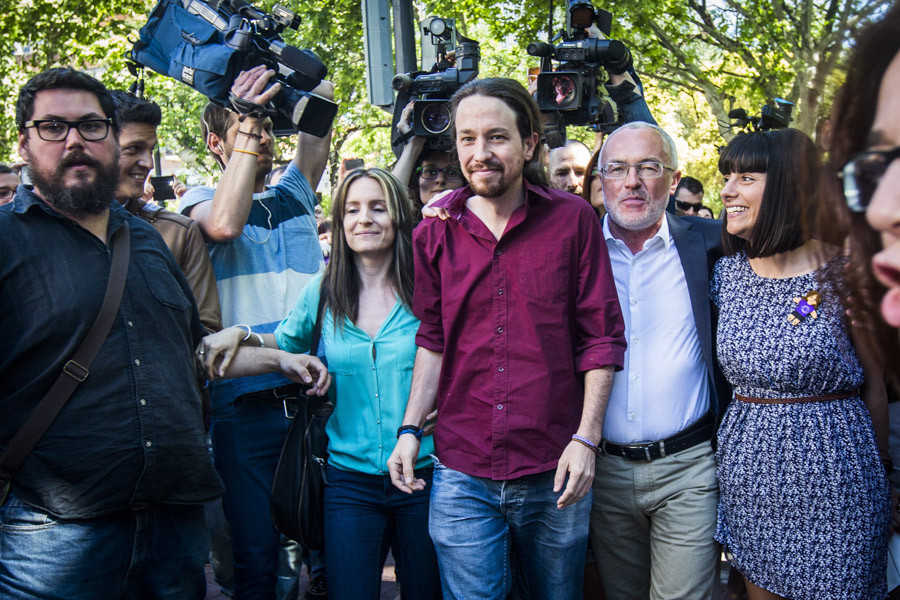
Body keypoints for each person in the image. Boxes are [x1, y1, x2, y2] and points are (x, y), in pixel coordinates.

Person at [387, 77, 626, 600]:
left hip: (555, 467)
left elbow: (601, 339)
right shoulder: (433, 233)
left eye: (496, 137)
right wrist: (409, 429)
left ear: (530, 143)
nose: (480, 153)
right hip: (462, 469)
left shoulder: (573, 222)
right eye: (467, 139)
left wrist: (586, 439)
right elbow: (433, 340)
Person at [0, 67, 222, 598]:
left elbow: (187, 353)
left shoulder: (150, 242)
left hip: (175, 525)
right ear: (25, 143)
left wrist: (270, 353)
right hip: (51, 537)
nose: (75, 140)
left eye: (91, 126)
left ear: (112, 136)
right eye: (53, 127)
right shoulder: (5, 242)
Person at [199, 167, 442, 600]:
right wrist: (240, 332)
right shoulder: (325, 289)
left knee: (426, 592)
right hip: (348, 481)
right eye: (352, 210)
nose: (363, 219)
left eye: (377, 208)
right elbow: (284, 341)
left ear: (398, 217)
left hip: (424, 476)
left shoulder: (426, 287)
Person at [712, 128, 891, 599]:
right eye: (727, 176)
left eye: (745, 177)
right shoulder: (724, 275)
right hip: (751, 491)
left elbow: (876, 386)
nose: (728, 190)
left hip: (840, 488)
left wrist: (887, 477)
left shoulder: (846, 273)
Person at [178, 65, 333, 600]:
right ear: (216, 142)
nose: (262, 138)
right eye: (246, 128)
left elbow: (322, 109)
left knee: (334, 551)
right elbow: (224, 222)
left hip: (319, 398)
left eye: (267, 128)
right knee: (256, 560)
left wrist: (289, 65)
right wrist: (247, 117)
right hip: (244, 405)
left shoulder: (296, 191)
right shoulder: (196, 200)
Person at [587, 121, 727, 600]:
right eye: (618, 169)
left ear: (673, 176)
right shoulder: (575, 247)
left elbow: (790, 231)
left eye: (648, 167)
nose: (632, 181)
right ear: (600, 180)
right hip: (601, 470)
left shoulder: (712, 242)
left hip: (689, 466)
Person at [109, 90, 221, 332]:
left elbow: (206, 334)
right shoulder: (44, 229)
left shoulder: (178, 233)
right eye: (133, 149)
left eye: (150, 150)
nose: (148, 163)